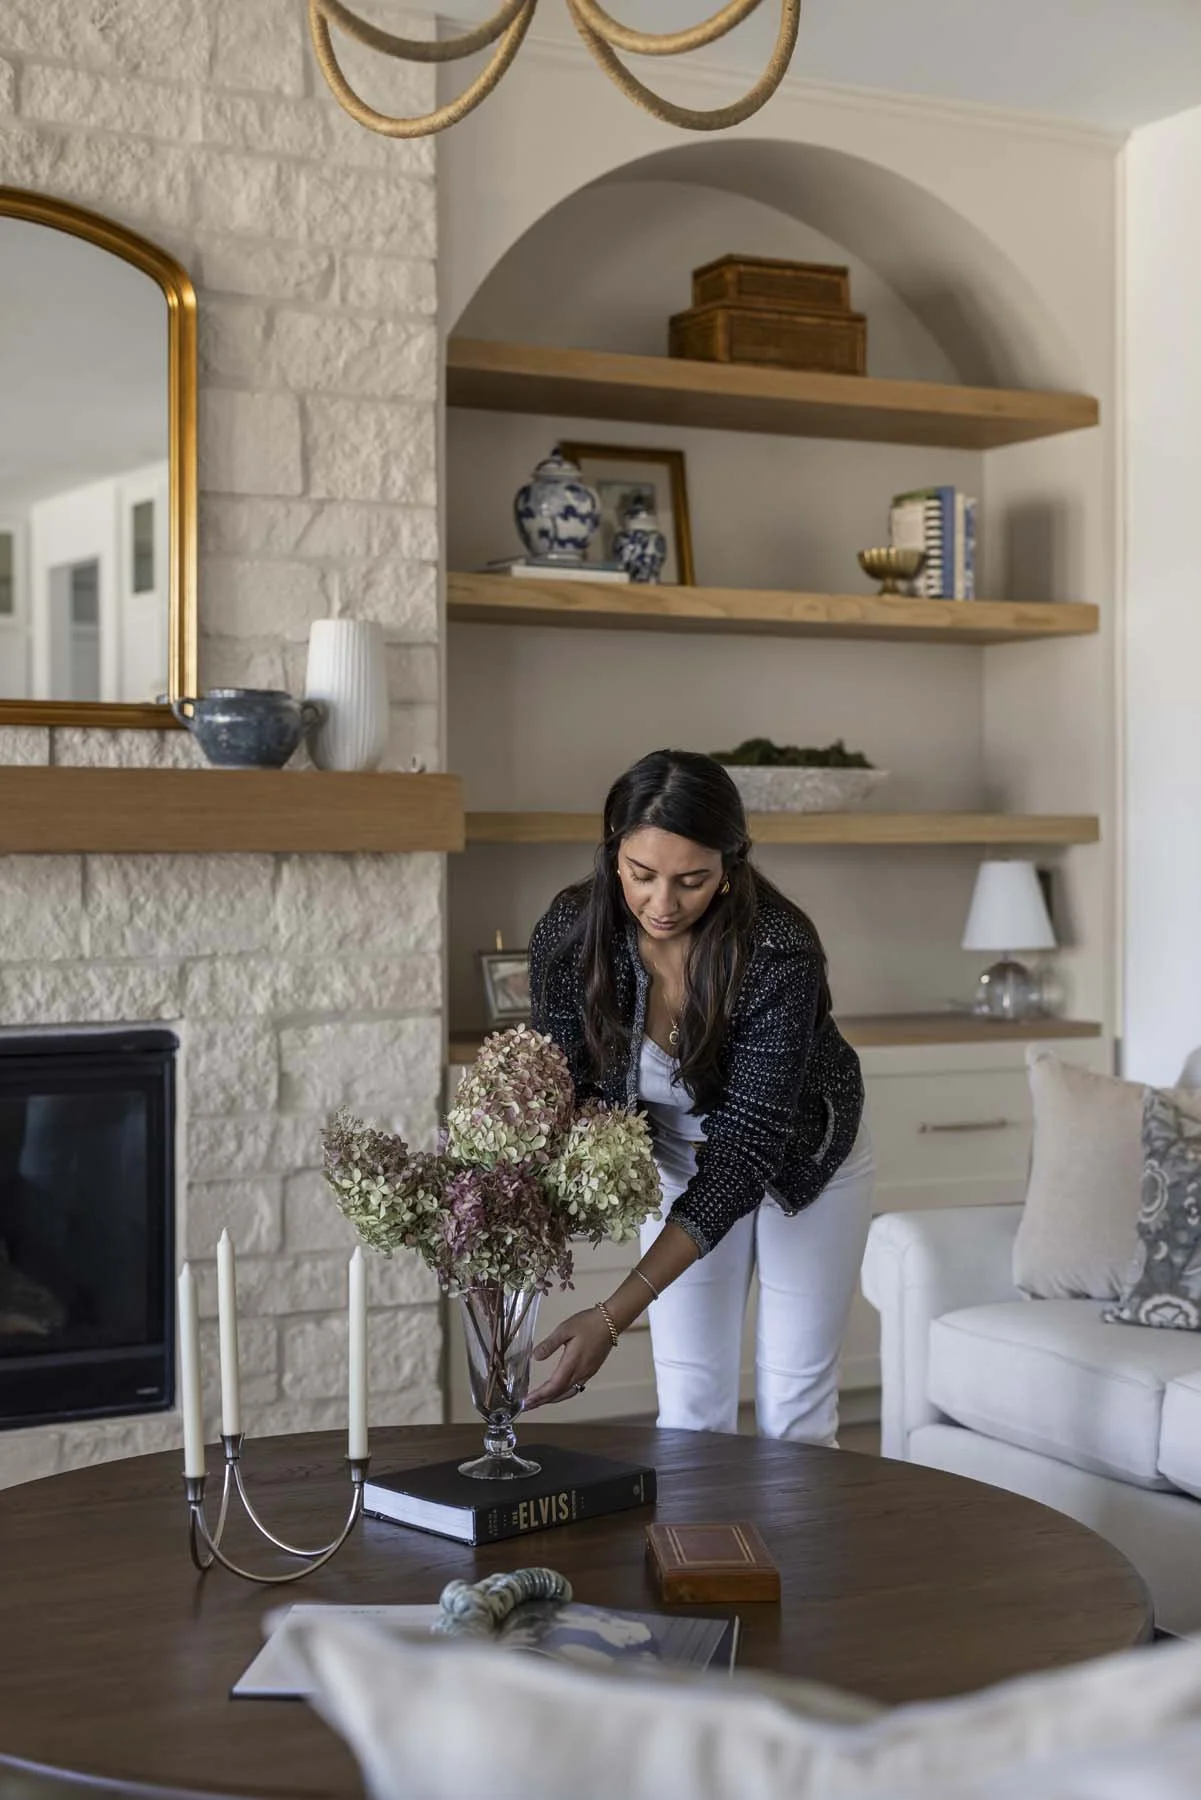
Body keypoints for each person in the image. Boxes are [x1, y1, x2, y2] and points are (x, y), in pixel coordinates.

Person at [523, 748, 874, 1444]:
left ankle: (794, 1555)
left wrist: (610, 1315)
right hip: (680, 1160)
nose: (662, 903)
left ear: (729, 865)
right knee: (689, 1409)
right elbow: (561, 1094)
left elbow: (744, 1153)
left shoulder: (777, 948)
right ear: (612, 852)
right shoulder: (570, 936)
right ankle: (693, 1555)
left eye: (691, 880)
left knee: (793, 1413)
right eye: (641, 875)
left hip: (803, 1162)